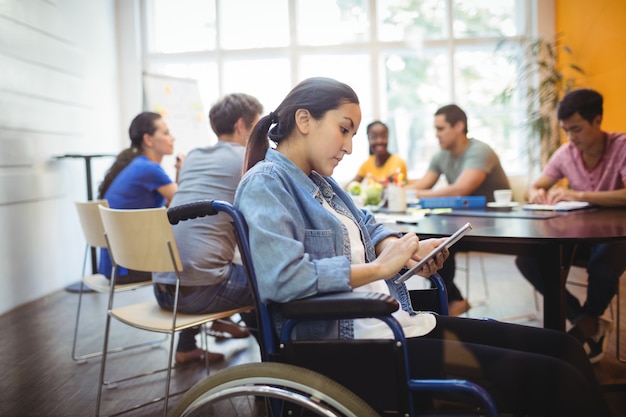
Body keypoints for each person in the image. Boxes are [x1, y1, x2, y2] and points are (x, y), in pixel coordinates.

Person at [233, 77, 610, 416]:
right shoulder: (266, 183)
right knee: (557, 376)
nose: (349, 147)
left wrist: (403, 248)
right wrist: (380, 269)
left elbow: (367, 224)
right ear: (304, 121)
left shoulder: (321, 184)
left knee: (565, 349)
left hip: (391, 327)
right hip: (356, 346)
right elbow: (282, 279)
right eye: (344, 130)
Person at [516, 88, 626, 363]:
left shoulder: (621, 146)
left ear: (597, 120)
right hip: (581, 237)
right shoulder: (566, 152)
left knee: (606, 255)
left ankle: (585, 323)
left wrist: (579, 195)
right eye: (566, 130)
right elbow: (536, 185)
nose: (571, 137)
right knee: (528, 260)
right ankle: (587, 321)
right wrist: (536, 193)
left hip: (615, 239)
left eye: (576, 129)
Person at [153, 93, 263, 365]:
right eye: (258, 126)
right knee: (272, 281)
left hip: (163, 290)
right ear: (241, 125)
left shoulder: (192, 156)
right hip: (201, 294)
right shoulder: (248, 157)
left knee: (200, 258)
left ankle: (186, 347)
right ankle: (274, 364)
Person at [406, 104, 510, 316]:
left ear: (459, 126)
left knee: (437, 241)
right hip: (460, 222)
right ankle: (451, 302)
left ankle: (448, 304)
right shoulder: (441, 155)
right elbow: (422, 184)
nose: (436, 135)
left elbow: (461, 189)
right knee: (429, 240)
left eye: (441, 128)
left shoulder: (480, 151)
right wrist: (394, 192)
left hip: (494, 225)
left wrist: (413, 195)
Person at [97, 111, 182, 284]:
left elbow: (173, 201)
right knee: (198, 261)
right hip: (129, 267)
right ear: (148, 140)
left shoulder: (137, 165)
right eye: (165, 133)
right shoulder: (149, 169)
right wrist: (184, 168)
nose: (172, 138)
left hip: (114, 266)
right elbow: (183, 202)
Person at [347, 120, 407, 186]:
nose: (379, 141)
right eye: (374, 137)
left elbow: (389, 184)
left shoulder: (397, 161)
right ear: (368, 139)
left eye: (384, 136)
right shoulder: (367, 163)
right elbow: (351, 184)